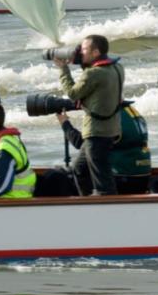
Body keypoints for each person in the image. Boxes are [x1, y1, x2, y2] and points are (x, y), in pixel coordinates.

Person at [52, 34, 124, 195]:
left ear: (96, 52)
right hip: (111, 129)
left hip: (97, 133)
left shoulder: (93, 74)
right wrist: (83, 63)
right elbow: (96, 86)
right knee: (79, 169)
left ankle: (106, 208)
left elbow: (72, 93)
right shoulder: (117, 67)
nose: (80, 52)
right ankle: (87, 203)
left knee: (103, 182)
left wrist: (63, 69)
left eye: (84, 50)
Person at [56, 101, 151, 194]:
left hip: (122, 180)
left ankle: (87, 204)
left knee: (75, 170)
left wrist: (65, 123)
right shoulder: (131, 111)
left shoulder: (110, 117)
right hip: (143, 178)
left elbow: (84, 144)